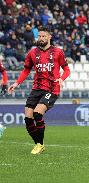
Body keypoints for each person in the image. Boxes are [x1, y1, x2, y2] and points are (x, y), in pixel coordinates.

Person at [8, 26, 70, 155]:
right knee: (28, 118)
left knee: (37, 114)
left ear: (49, 37)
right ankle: (39, 144)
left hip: (52, 88)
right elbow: (26, 70)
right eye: (39, 36)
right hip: (36, 88)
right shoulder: (32, 53)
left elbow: (67, 69)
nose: (41, 38)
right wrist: (16, 83)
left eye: (43, 36)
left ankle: (40, 145)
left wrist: (62, 79)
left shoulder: (58, 52)